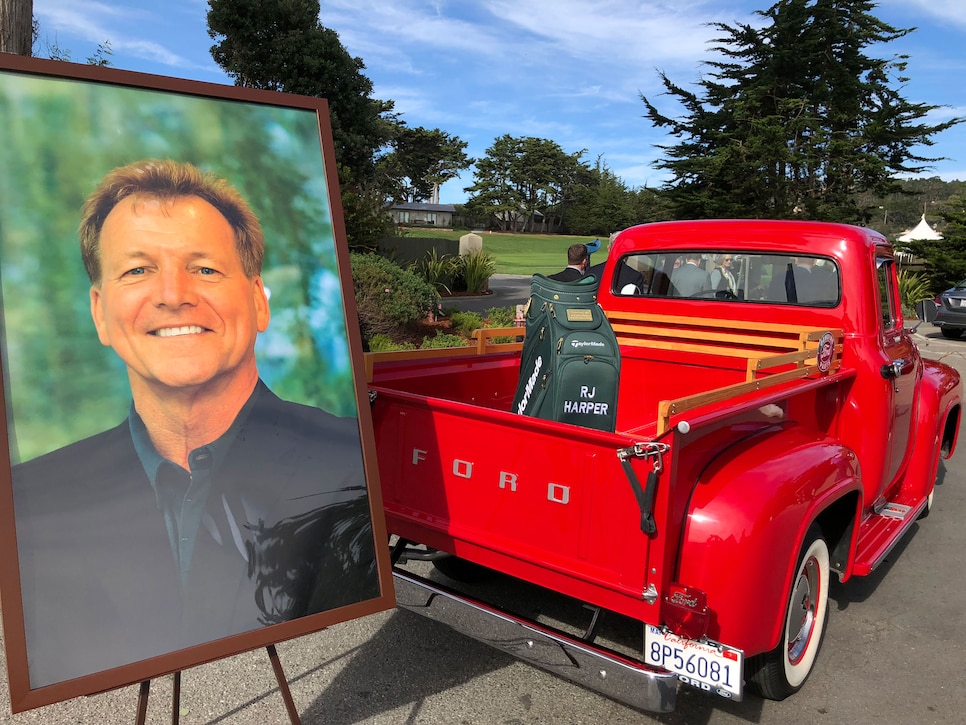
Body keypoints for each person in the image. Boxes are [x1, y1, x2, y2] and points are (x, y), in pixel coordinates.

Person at [11, 159, 379, 688]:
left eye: (204, 268)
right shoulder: (31, 498)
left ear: (257, 301)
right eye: (137, 270)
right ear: (99, 313)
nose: (173, 293)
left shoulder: (351, 468)